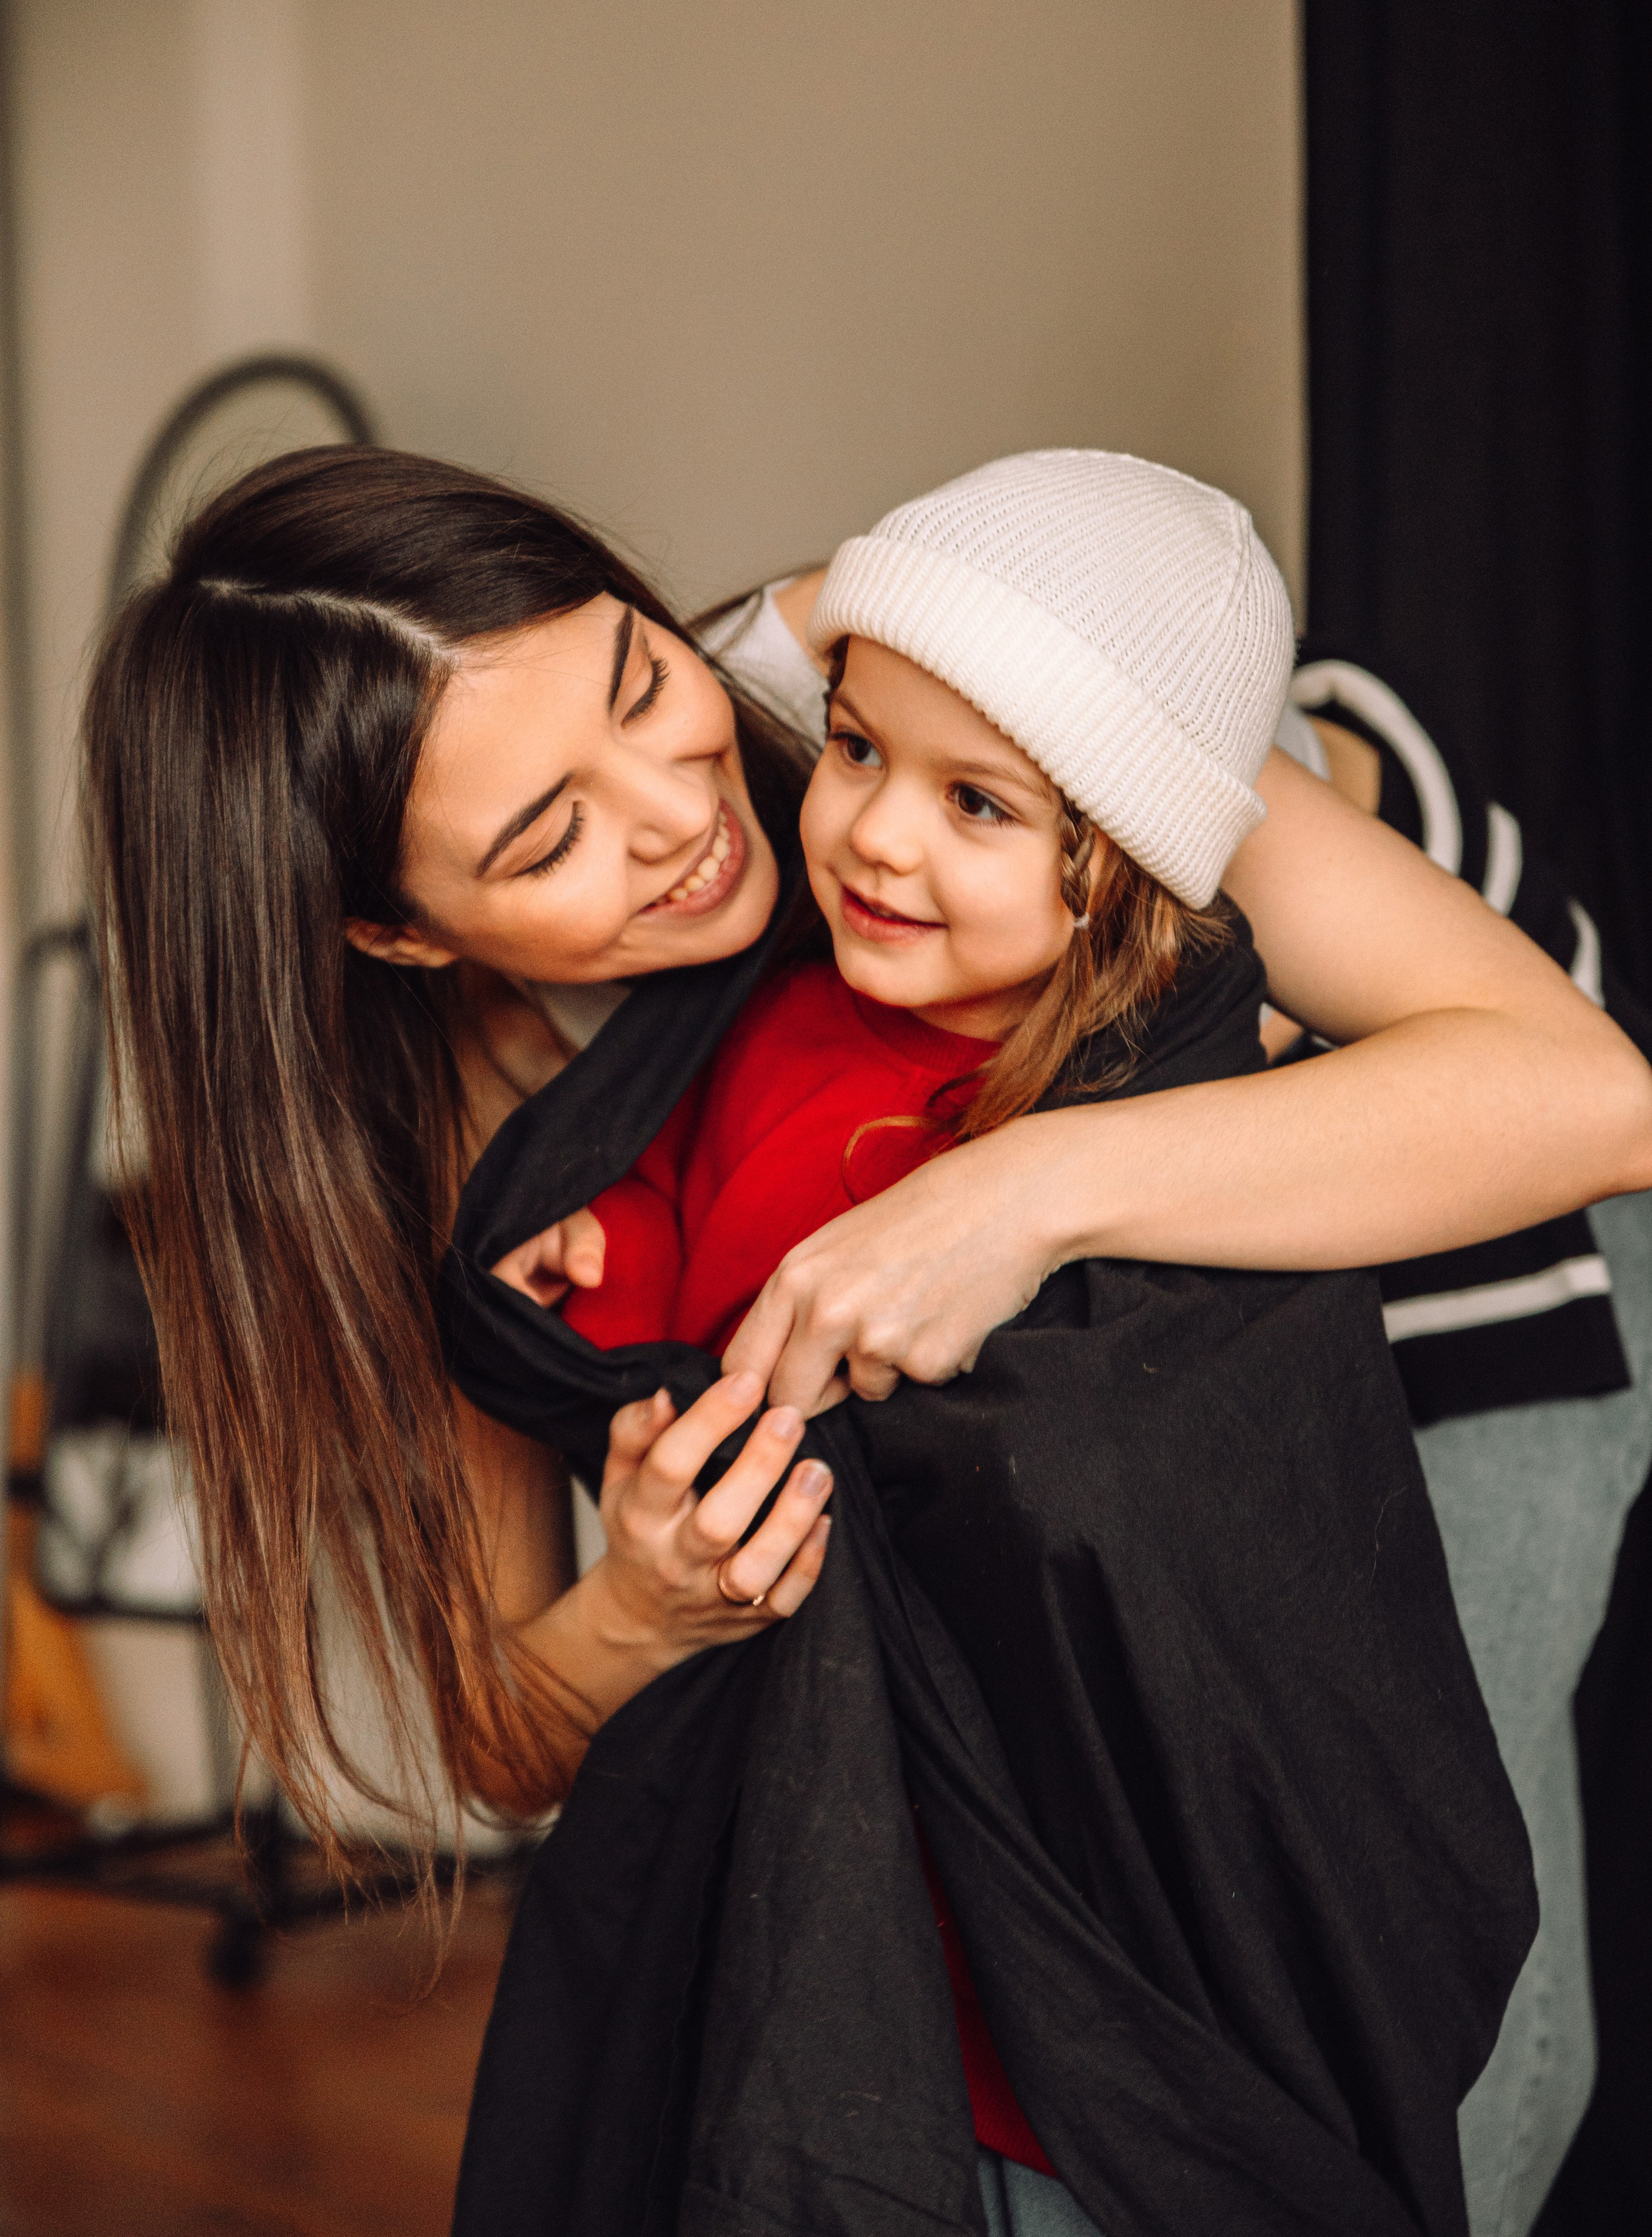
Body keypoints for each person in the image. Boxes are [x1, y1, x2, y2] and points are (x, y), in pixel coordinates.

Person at [78, 446, 1649, 2218]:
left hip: (1438, 1173)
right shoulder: (480, 1159)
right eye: (548, 838)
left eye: (640, 681)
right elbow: (499, 1726)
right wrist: (640, 1604)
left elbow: (1588, 1100)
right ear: (399, 932)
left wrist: (1010, 1193)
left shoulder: (928, 675)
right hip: (1042, 1451)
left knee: (1428, 2049)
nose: (677, 812)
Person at [442, 452, 1534, 2236]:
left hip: (1096, 1887)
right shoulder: (757, 1012)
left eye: (978, 809)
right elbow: (690, 1287)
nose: (869, 833)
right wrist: (595, 1248)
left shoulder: (1139, 1082)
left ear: (1114, 878)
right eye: (856, 754)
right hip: (863, 1861)